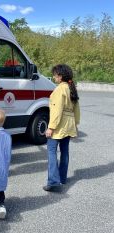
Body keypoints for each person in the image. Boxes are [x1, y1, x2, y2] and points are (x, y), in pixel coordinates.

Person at [43, 64, 80, 192]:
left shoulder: (59, 90)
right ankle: (62, 178)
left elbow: (56, 111)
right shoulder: (71, 88)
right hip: (69, 124)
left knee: (52, 151)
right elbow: (77, 110)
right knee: (64, 151)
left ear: (60, 76)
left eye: (55, 75)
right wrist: (75, 125)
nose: (54, 77)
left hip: (59, 125)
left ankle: (53, 181)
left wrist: (51, 127)